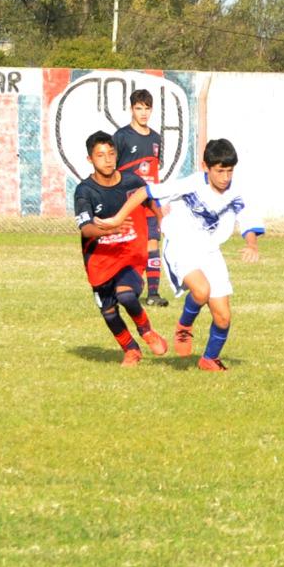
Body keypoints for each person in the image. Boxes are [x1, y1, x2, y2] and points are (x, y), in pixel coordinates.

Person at [148, 138, 264, 372]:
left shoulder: (236, 193)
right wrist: (159, 217)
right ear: (206, 167)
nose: (225, 177)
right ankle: (184, 326)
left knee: (223, 317)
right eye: (220, 171)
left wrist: (251, 244)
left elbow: (248, 221)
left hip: (210, 251)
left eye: (229, 171)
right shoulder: (191, 184)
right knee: (201, 291)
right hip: (181, 246)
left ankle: (209, 358)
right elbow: (150, 193)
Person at [74, 131, 168, 366]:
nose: (107, 159)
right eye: (100, 155)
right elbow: (86, 229)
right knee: (108, 311)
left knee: (126, 294)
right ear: (90, 160)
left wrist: (163, 220)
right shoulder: (85, 191)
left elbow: (151, 200)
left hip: (130, 255)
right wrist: (110, 230)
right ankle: (130, 349)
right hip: (99, 260)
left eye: (111, 154)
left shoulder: (132, 182)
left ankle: (146, 331)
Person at [113, 88, 168, 306]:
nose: (143, 113)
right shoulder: (121, 136)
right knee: (128, 247)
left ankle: (153, 294)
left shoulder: (156, 138)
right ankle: (123, 290)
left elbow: (155, 169)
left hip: (150, 201)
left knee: (152, 243)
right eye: (139, 108)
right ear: (131, 109)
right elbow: (114, 170)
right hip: (128, 202)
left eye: (147, 108)